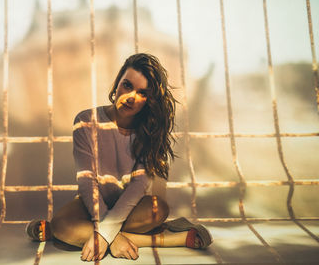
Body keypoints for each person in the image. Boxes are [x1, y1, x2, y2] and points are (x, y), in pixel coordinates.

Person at [26, 53, 213, 261]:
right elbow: (87, 182)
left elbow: (137, 188)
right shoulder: (85, 120)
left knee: (158, 209)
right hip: (92, 204)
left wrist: (103, 234)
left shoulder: (147, 132)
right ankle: (173, 239)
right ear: (117, 84)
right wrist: (110, 238)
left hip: (130, 206)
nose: (131, 96)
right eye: (127, 85)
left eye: (142, 93)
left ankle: (70, 236)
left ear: (148, 101)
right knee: (62, 224)